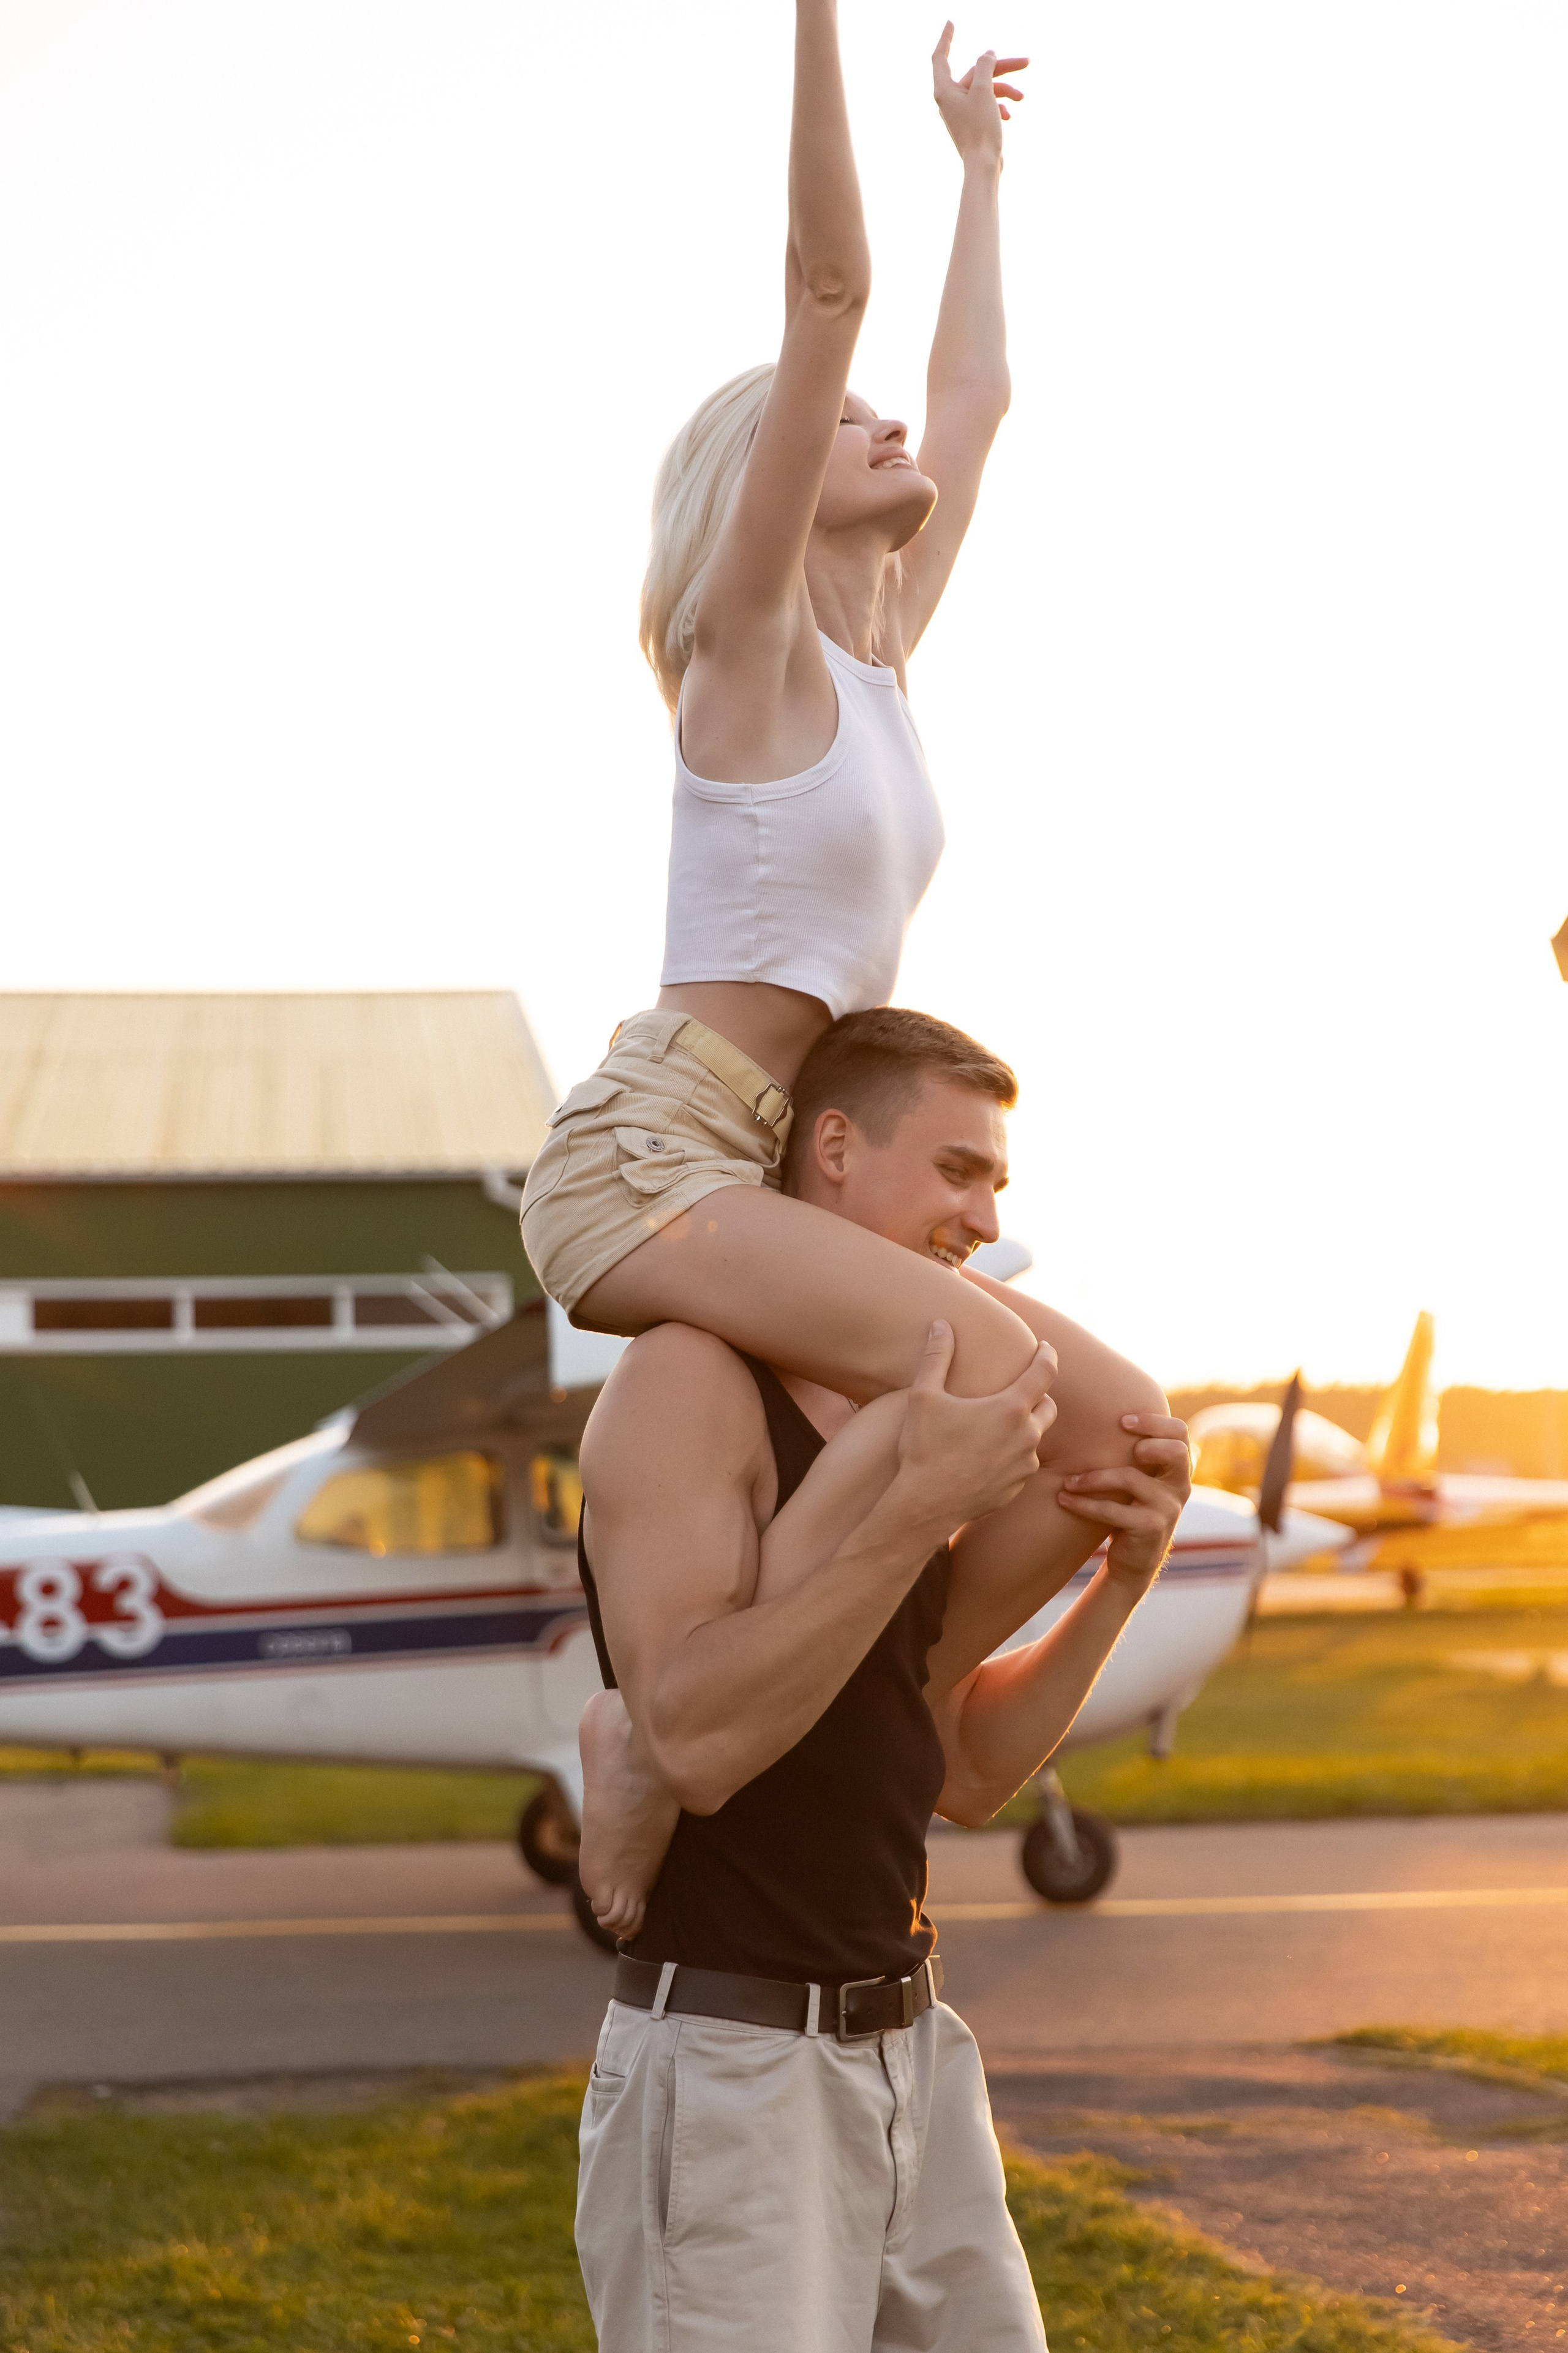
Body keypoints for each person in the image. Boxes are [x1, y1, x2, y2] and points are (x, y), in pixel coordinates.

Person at [521, 0, 1170, 1924]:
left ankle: (864, 1693)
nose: (896, 426)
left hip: (740, 1169)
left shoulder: (880, 668)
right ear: (776, 478)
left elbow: (976, 404)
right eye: (855, 424)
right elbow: (827, 294)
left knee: (1122, 1431)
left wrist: (984, 165)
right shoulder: (745, 660)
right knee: (978, 1367)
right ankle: (651, 1739)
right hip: (653, 1159)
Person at [571, 1006, 1192, 2352]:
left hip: (911, 2045)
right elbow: (693, 1739)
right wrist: (916, 1510)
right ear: (832, 1147)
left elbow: (961, 1771)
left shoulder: (887, 1420)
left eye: (997, 1185)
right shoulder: (687, 1380)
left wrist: (1117, 1584)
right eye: (957, 1171)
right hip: (738, 2067)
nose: (981, 1214)